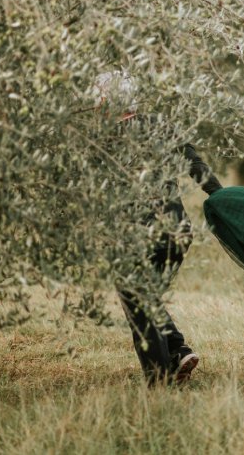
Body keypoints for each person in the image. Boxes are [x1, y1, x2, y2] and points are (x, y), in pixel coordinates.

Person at [92, 70, 222, 384]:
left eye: (98, 96)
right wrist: (222, 197)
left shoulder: (105, 138)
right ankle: (179, 351)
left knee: (137, 302)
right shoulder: (161, 126)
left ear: (109, 100)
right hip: (178, 232)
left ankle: (162, 378)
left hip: (140, 235)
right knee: (145, 295)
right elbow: (196, 166)